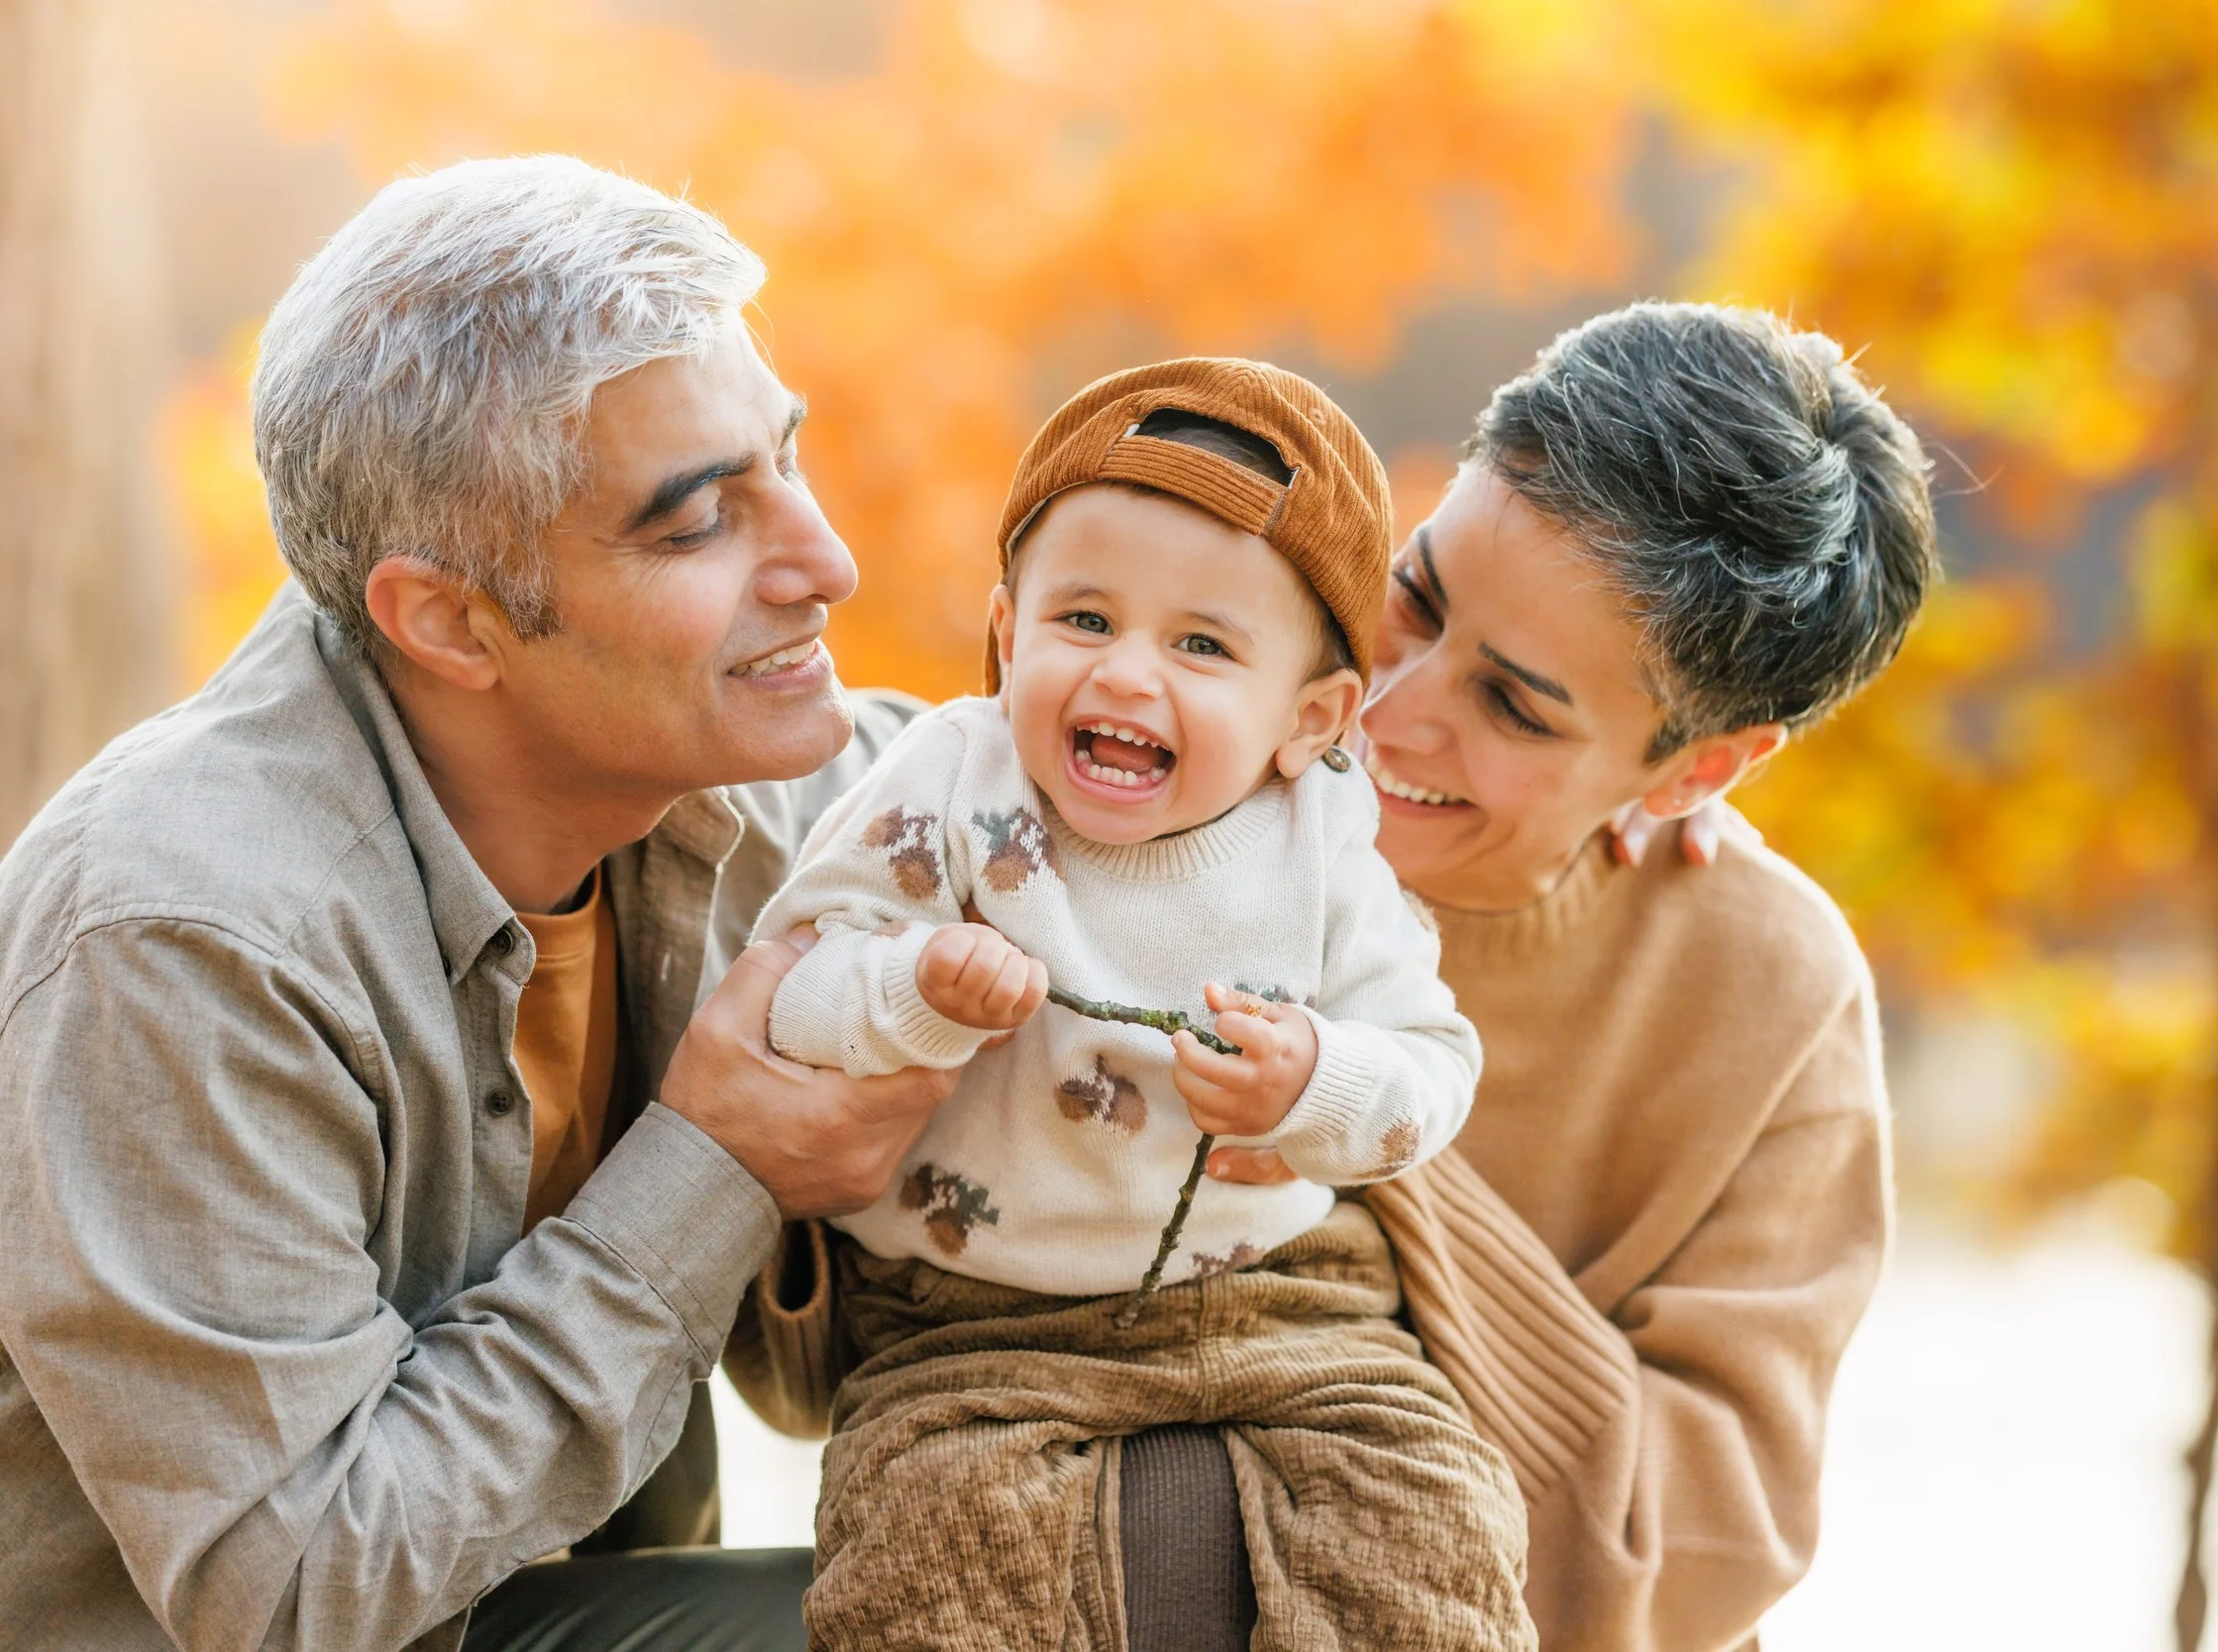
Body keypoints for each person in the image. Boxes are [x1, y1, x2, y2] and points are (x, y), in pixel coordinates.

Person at [0, 155, 956, 1650]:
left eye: (789, 457)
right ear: (447, 620)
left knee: (1099, 1555)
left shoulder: (739, 769)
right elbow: (304, 1592)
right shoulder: (179, 942)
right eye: (699, 520)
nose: (828, 562)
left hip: (481, 1608)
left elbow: (1069, 808)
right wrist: (717, 1167)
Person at [729, 301, 1937, 1652]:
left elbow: (1698, 1557)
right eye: (1415, 599)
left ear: (1697, 769)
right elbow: (804, 1369)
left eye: (1514, 706)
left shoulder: (1767, 987)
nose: (1388, 704)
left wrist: (1361, 1135)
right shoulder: (1070, 790)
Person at [749, 361, 1530, 1647]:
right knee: (932, 1555)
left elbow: (1432, 1069)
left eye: (1201, 646)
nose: (1124, 673)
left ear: (1312, 717)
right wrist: (913, 990)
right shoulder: (952, 782)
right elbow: (791, 995)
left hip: (1289, 1305)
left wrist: (1316, 1083)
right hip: (973, 1323)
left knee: (1430, 1527)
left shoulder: (1322, 836)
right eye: (1084, 618)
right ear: (1009, 636)